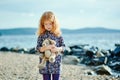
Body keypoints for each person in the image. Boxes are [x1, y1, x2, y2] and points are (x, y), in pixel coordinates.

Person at [36, 11, 65, 80]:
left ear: (54, 23)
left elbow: (63, 47)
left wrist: (57, 49)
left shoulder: (58, 35)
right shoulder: (41, 35)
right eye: (46, 24)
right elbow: (38, 48)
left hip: (56, 61)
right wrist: (45, 48)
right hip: (45, 62)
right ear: (42, 25)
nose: (48, 26)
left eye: (50, 24)